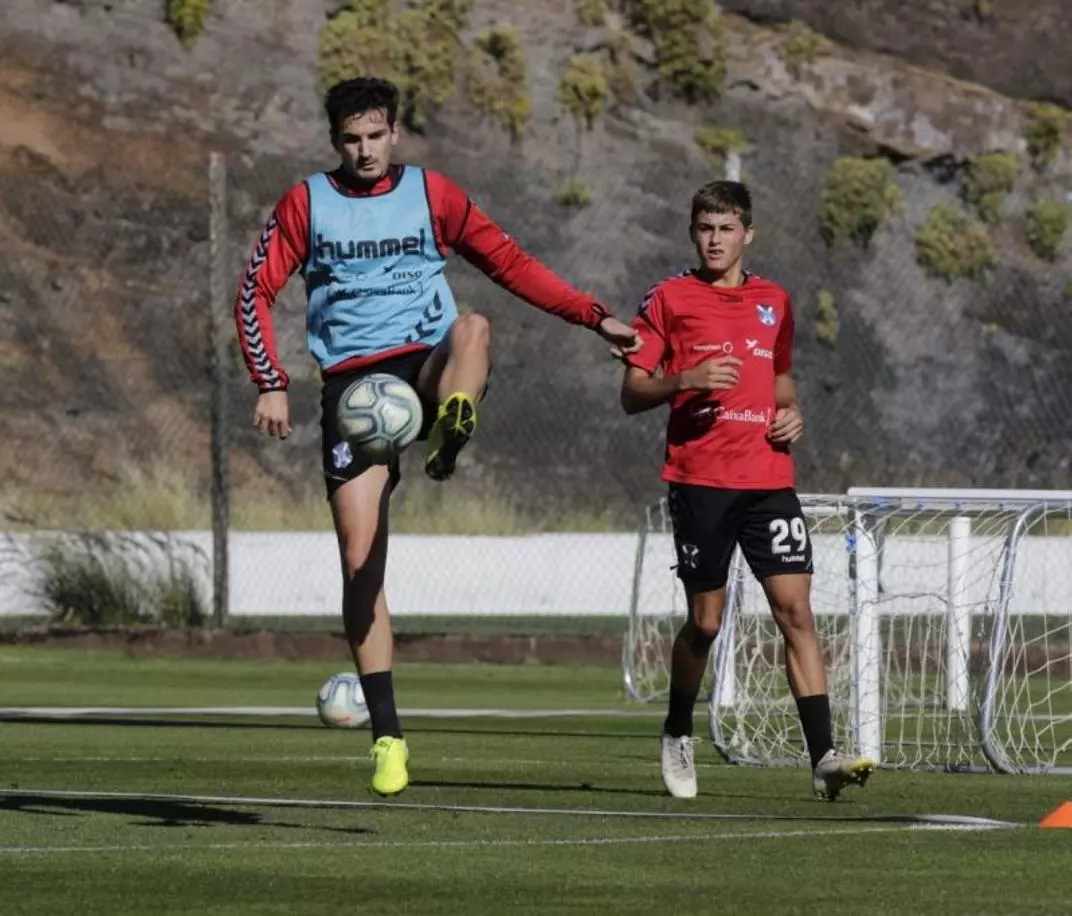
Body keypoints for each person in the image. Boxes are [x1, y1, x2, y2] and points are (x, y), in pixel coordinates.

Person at [235, 76, 640, 796]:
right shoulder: (307, 203)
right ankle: (388, 738)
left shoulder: (432, 194)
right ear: (335, 141)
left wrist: (591, 315)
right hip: (355, 392)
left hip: (425, 363)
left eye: (375, 136)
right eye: (351, 140)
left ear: (395, 133)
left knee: (473, 327)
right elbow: (254, 290)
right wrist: (270, 380)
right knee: (360, 563)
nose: (365, 150)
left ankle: (452, 424)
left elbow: (509, 263)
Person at [619, 180, 874, 801]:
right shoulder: (669, 298)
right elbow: (633, 392)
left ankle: (824, 757)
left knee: (797, 612)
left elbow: (779, 378)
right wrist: (687, 378)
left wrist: (791, 412)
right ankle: (678, 729)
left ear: (748, 234)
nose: (715, 240)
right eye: (705, 229)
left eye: (726, 229)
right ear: (692, 233)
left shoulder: (774, 301)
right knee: (706, 623)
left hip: (769, 480)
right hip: (701, 481)